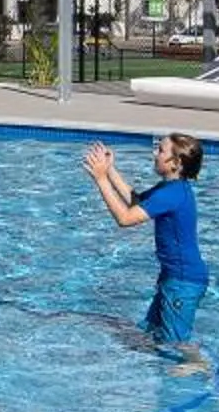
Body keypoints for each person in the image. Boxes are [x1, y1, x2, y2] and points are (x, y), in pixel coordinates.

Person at [83, 133, 209, 374]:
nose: (154, 154)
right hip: (174, 278)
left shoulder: (172, 194)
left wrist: (100, 180)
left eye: (160, 151)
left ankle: (197, 362)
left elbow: (125, 218)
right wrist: (110, 171)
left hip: (183, 282)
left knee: (175, 341)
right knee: (151, 334)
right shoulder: (172, 188)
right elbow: (137, 202)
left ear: (176, 163)